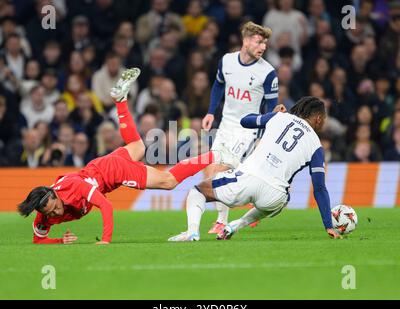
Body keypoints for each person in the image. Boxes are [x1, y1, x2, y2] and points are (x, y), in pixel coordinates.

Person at [17, 68, 224, 245]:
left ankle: (215, 154)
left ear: (55, 195)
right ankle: (121, 101)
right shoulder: (45, 214)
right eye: (52, 213)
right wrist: (60, 241)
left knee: (168, 182)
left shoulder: (73, 188)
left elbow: (105, 206)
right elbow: (39, 240)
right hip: (100, 165)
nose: (56, 213)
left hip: (111, 171)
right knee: (138, 146)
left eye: (55, 207)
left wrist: (105, 240)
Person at [169, 96, 341, 241]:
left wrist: (271, 114)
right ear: (318, 118)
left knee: (197, 191)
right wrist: (328, 225)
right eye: (324, 120)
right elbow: (319, 188)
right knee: (284, 196)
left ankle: (192, 232)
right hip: (274, 197)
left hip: (247, 180)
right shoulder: (317, 146)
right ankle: (236, 225)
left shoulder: (279, 117)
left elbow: (245, 121)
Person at [201, 21, 279, 234]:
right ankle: (244, 212)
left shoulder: (268, 72)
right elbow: (218, 84)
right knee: (213, 173)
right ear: (245, 41)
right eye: (258, 41)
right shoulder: (227, 61)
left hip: (248, 130)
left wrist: (265, 136)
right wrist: (210, 112)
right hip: (225, 126)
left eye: (265, 43)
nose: (262, 47)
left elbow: (272, 108)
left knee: (221, 172)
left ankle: (221, 221)